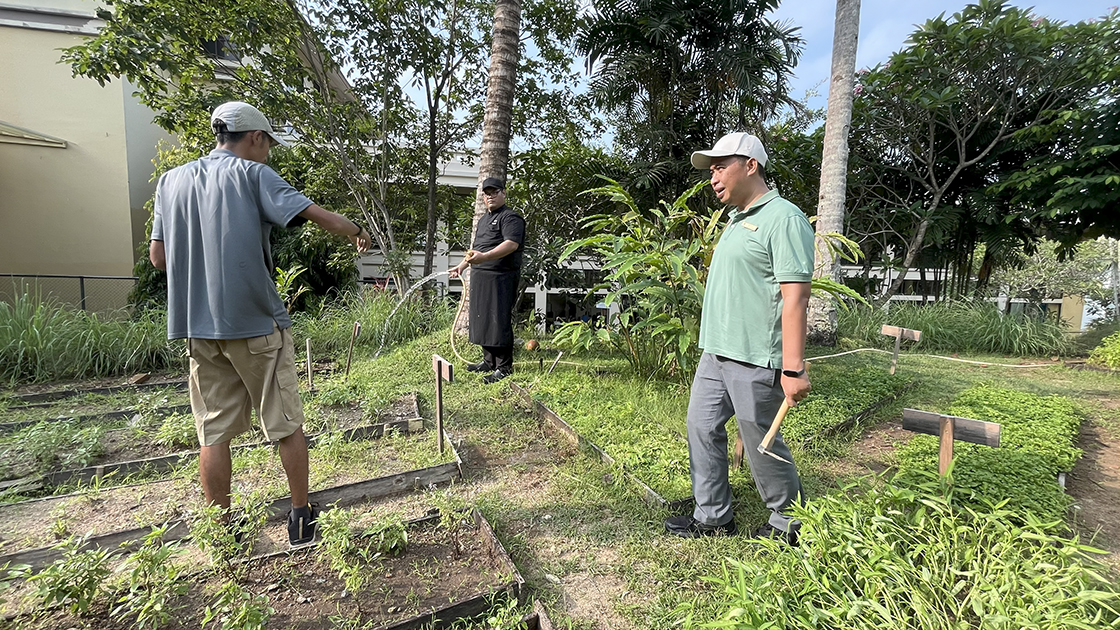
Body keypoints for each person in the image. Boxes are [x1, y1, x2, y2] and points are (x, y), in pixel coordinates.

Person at [149, 101, 372, 546]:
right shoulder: (252, 174)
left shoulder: (170, 182)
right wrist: (355, 232)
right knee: (285, 421)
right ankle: (301, 518)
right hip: (253, 323)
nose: (268, 151)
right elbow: (319, 216)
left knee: (212, 432)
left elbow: (158, 258)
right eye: (267, 142)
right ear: (254, 137)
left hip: (198, 328)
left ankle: (221, 529)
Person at [663, 132, 814, 544]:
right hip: (716, 352)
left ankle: (789, 521)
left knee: (759, 439)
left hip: (755, 354)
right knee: (701, 426)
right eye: (710, 170)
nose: (713, 177)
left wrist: (793, 366)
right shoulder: (735, 220)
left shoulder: (784, 218)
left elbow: (795, 298)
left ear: (750, 165)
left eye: (720, 167)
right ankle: (713, 516)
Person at [449, 177, 525, 384]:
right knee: (482, 319)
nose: (490, 196)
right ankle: (488, 361)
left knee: (498, 320)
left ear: (503, 193)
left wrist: (486, 257)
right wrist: (462, 265)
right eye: (486, 193)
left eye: (494, 192)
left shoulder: (510, 218)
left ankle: (503, 367)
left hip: (501, 276)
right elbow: (476, 250)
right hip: (481, 276)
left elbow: (511, 245)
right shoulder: (483, 220)